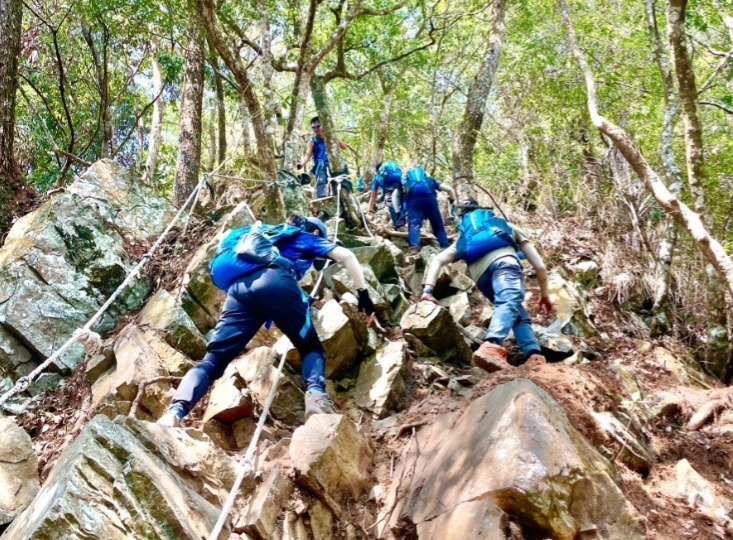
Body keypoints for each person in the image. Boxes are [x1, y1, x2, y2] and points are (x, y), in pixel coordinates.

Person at [158, 215, 376, 427]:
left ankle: (175, 412)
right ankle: (317, 401)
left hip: (237, 290)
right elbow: (347, 256)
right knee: (310, 347)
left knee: (213, 360)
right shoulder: (304, 236)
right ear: (316, 231)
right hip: (274, 281)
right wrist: (364, 297)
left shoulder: (264, 232)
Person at [420, 199, 553, 371]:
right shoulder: (505, 226)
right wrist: (544, 295)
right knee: (509, 302)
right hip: (505, 265)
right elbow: (540, 266)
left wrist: (427, 290)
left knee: (516, 312)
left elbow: (437, 259)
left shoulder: (464, 238)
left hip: (482, 279)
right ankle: (491, 344)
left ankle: (533, 355)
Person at [402, 166, 455, 256]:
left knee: (414, 225)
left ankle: (414, 248)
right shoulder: (430, 180)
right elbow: (449, 189)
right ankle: (444, 246)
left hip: (414, 203)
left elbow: (398, 195)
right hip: (430, 201)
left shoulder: (407, 183)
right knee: (438, 226)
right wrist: (452, 200)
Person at [297, 116, 349, 198]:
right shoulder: (312, 141)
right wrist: (301, 164)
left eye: (318, 126)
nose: (316, 129)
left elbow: (344, 147)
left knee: (339, 186)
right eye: (313, 127)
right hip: (320, 166)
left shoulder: (331, 137)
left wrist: (332, 137)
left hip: (334, 165)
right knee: (321, 188)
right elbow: (307, 155)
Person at [366, 161, 406, 228]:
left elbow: (373, 195)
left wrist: (370, 210)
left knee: (391, 203)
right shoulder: (394, 171)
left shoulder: (376, 176)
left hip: (389, 188)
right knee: (399, 203)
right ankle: (403, 221)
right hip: (399, 186)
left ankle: (398, 225)